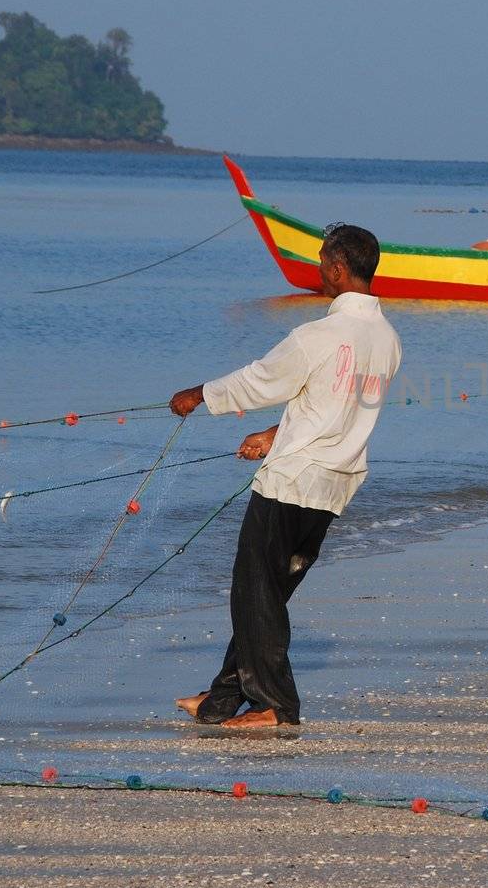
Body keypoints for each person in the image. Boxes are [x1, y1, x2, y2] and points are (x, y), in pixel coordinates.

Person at [169, 224, 401, 727]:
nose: (320, 270)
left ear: (338, 269)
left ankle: (277, 706)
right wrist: (276, 433)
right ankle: (223, 699)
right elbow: (335, 404)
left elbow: (260, 381)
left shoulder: (319, 335)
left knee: (255, 590)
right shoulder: (386, 339)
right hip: (335, 482)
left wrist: (200, 395)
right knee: (267, 591)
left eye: (322, 261)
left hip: (293, 481)